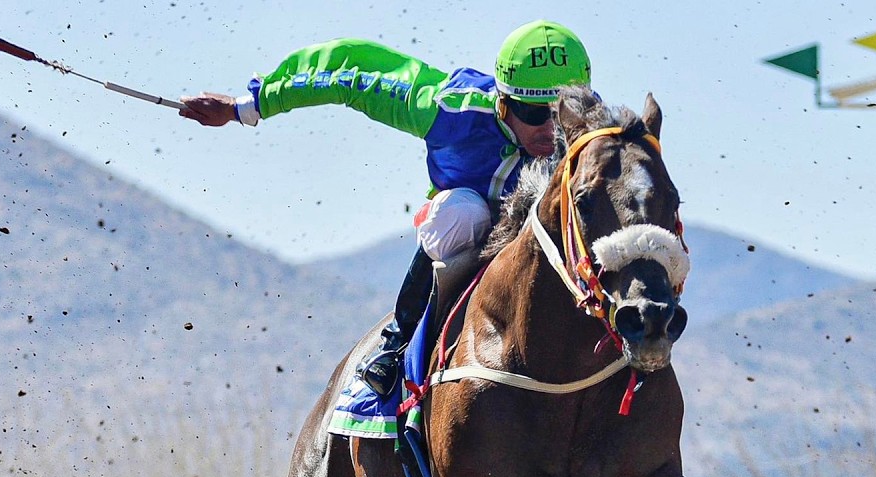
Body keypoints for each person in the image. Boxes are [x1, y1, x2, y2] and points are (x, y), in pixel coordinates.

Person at [179, 21, 593, 395]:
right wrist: (246, 108)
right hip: (469, 229)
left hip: (542, 242)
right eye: (533, 112)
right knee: (461, 213)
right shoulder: (443, 107)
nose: (550, 129)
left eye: (563, 113)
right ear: (503, 103)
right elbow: (347, 74)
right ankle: (398, 339)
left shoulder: (592, 132)